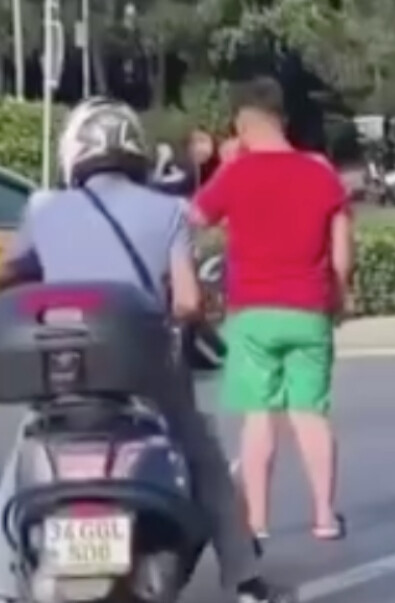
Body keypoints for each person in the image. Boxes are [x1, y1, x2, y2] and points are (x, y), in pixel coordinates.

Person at [0, 97, 290, 603]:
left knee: (22, 462)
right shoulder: (169, 210)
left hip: (65, 380)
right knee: (203, 458)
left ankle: (4, 585)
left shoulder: (43, 208)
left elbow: (13, 273)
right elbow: (187, 301)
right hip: (148, 373)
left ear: (74, 150)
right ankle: (246, 581)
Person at [189, 76, 354, 542]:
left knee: (259, 417)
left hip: (253, 312)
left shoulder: (237, 174)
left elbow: (193, 220)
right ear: (282, 120)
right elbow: (342, 250)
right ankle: (324, 515)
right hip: (309, 309)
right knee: (311, 414)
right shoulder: (321, 171)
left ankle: (257, 521)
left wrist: (225, 167)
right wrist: (338, 295)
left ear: (241, 126)